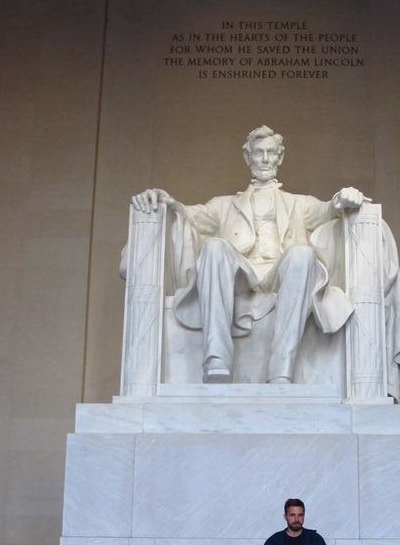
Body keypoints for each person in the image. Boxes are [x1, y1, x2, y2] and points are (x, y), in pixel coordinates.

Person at [128, 126, 368, 384]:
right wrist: (166, 201)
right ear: (248, 158)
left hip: (282, 274)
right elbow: (188, 215)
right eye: (259, 153)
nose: (265, 159)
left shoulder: (300, 203)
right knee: (215, 247)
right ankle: (217, 360)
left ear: (280, 157)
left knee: (302, 254)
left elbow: (328, 210)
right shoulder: (222, 205)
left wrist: (342, 198)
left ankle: (281, 369)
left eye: (271, 153)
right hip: (241, 276)